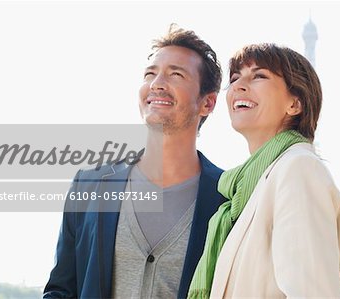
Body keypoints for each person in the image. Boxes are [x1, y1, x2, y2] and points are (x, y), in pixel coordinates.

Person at [43, 25, 226, 299]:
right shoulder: (90, 183)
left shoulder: (227, 198)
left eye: (176, 74)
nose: (157, 83)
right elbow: (61, 289)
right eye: (150, 74)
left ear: (208, 103)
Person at [188, 43, 340, 299]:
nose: (238, 86)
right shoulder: (247, 190)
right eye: (235, 78)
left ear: (295, 104)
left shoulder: (298, 168)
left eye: (259, 76)